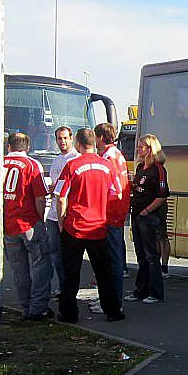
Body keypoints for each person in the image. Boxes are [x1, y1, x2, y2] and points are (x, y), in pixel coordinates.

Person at [56, 127, 125, 323]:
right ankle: (113, 311)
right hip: (98, 227)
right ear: (94, 143)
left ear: (78, 143)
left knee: (70, 274)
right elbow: (117, 194)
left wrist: (61, 221)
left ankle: (69, 313)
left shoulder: (72, 165)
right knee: (104, 273)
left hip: (75, 227)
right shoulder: (106, 165)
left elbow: (61, 197)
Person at [3, 132, 52, 320]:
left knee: (18, 268)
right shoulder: (32, 165)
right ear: (27, 147)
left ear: (9, 146)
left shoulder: (0, 163)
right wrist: (40, 219)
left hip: (9, 223)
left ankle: (25, 305)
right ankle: (38, 308)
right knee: (41, 265)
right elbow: (40, 197)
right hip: (29, 221)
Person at [94, 122, 132, 307]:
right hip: (118, 210)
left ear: (100, 137)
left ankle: (112, 302)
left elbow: (110, 187)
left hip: (110, 212)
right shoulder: (117, 154)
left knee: (111, 260)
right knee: (115, 257)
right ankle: (112, 300)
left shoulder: (107, 157)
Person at [131, 134, 169, 304]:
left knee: (151, 256)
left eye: (142, 147)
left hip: (149, 216)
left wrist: (146, 211)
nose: (138, 150)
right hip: (137, 213)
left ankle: (155, 292)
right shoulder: (140, 168)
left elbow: (161, 196)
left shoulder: (158, 169)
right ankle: (141, 290)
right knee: (140, 254)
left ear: (150, 149)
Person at [45, 127, 79, 295]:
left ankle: (69, 288)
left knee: (68, 254)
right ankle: (62, 286)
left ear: (71, 139)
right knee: (54, 253)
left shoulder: (76, 158)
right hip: (52, 214)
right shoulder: (56, 160)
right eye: (59, 138)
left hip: (67, 213)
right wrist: (52, 188)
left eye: (65, 138)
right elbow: (55, 183)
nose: (62, 141)